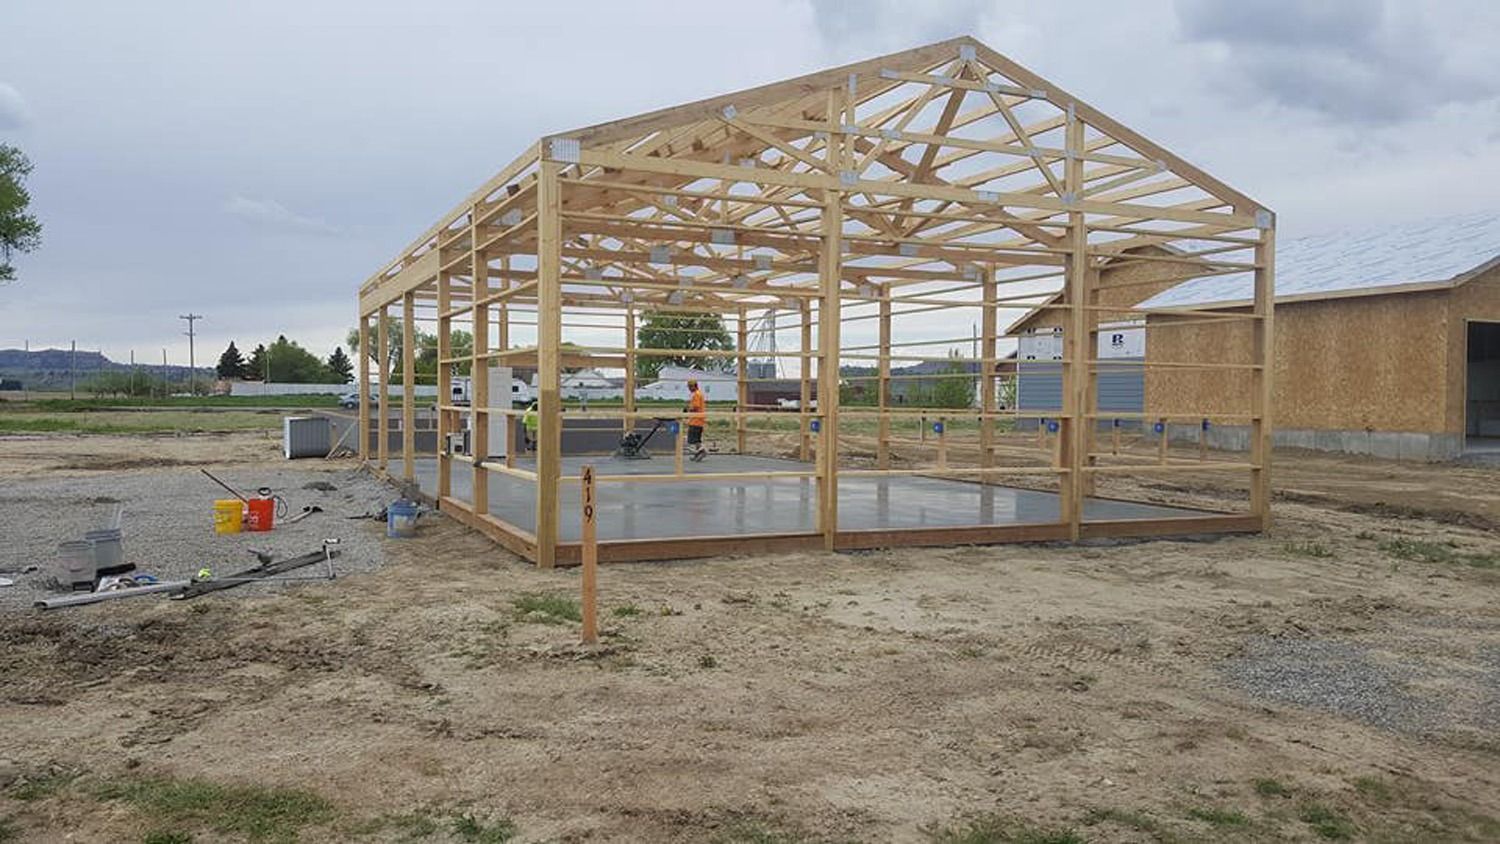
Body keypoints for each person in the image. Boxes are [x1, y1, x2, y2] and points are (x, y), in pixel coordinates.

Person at [684, 378, 707, 461]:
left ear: (694, 386)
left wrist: (687, 410)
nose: (689, 388)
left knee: (692, 440)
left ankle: (702, 450)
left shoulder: (696, 395)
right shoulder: (698, 394)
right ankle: (698, 454)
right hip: (698, 420)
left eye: (690, 387)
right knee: (697, 439)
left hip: (696, 420)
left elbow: (696, 407)